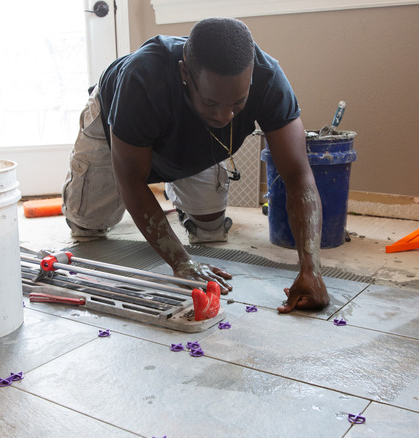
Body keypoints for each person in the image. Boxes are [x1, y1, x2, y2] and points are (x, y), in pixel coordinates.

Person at [62, 17, 328, 313]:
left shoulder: (269, 77)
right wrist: (182, 262)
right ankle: (98, 197)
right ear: (184, 73)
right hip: (116, 125)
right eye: (213, 103)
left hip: (190, 138)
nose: (226, 116)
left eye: (237, 104)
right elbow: (131, 181)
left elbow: (297, 174)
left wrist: (311, 269)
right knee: (87, 226)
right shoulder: (141, 79)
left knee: (209, 230)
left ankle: (172, 185)